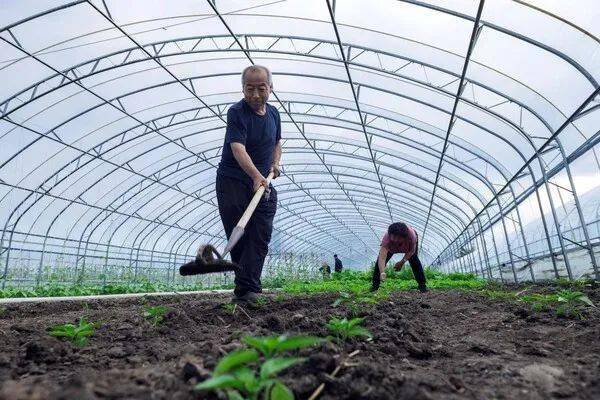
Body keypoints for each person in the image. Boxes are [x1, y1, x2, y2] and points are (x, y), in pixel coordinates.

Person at [216, 65, 281, 304]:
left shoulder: (274, 114)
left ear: (270, 88)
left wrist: (275, 163)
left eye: (260, 88)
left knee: (261, 233)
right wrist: (255, 175)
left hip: (263, 183)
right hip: (233, 181)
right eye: (249, 89)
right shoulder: (237, 113)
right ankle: (246, 290)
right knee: (240, 236)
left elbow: (277, 142)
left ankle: (247, 287)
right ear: (242, 89)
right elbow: (237, 148)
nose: (255, 95)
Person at [371, 222, 427, 293]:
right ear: (390, 234)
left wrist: (402, 262)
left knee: (414, 260)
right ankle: (375, 286)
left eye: (399, 238)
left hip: (408, 247)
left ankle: (422, 285)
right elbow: (382, 257)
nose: (396, 240)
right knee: (379, 263)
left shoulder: (412, 237)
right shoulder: (387, 238)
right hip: (391, 248)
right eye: (394, 237)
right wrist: (382, 272)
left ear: (405, 237)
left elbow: (411, 252)